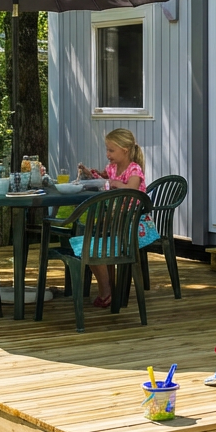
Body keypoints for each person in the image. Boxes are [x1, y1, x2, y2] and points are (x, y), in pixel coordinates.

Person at [76, 128, 159, 308]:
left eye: (111, 150)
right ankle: (108, 290)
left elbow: (132, 191)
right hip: (116, 223)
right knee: (89, 245)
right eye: (107, 149)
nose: (107, 154)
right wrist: (91, 174)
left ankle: (107, 292)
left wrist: (116, 183)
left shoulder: (134, 169)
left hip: (135, 226)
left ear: (125, 150)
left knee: (95, 245)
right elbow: (102, 179)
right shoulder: (112, 168)